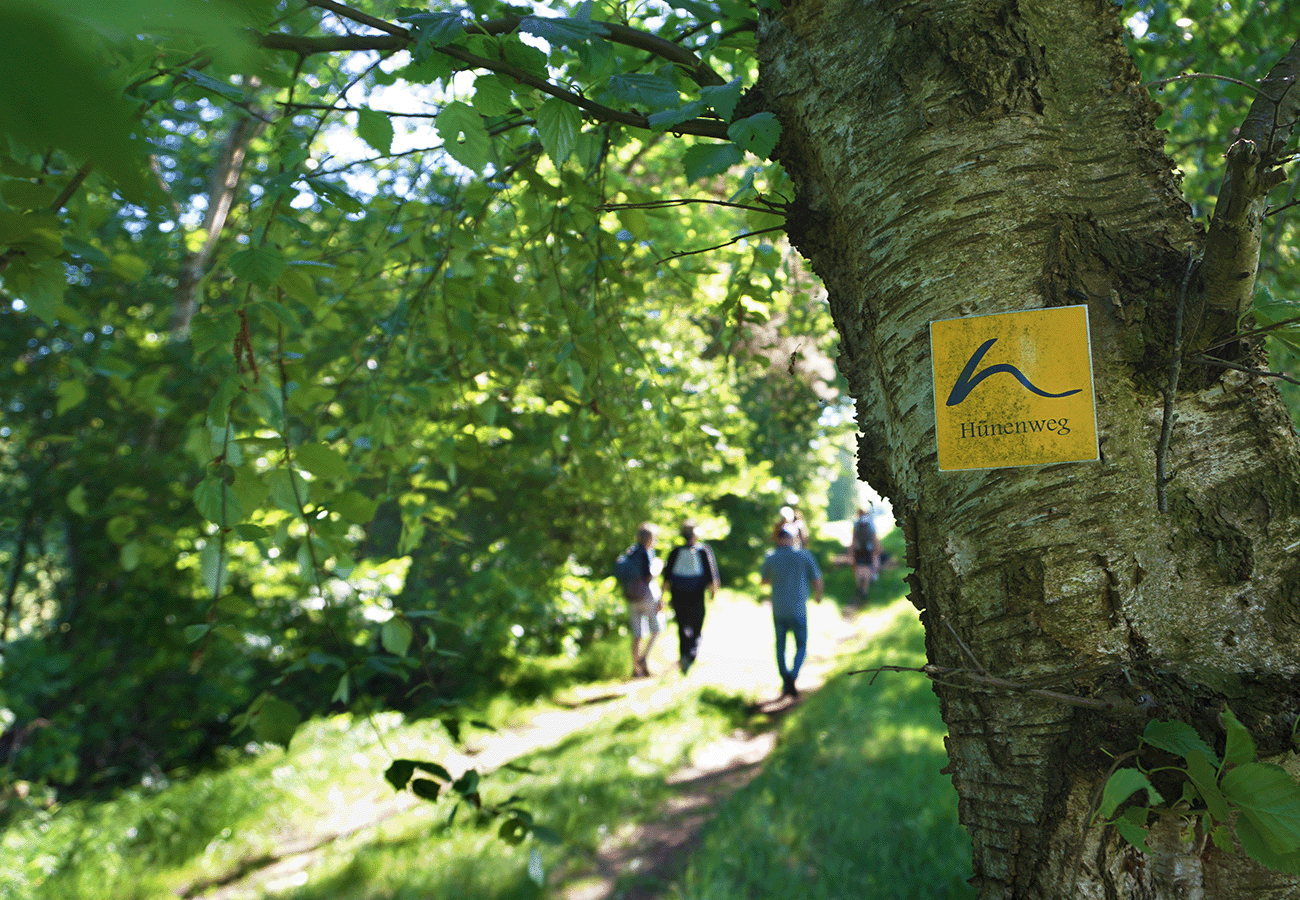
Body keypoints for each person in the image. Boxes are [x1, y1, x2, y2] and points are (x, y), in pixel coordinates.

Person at [760, 525, 823, 698]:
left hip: (779, 609)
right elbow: (817, 579)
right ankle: (793, 675)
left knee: (780, 646)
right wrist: (818, 595)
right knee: (801, 645)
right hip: (798, 609)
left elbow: (764, 580)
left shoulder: (771, 556)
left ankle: (785, 678)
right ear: (792, 538)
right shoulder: (804, 555)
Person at [661, 521, 720, 673]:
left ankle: (684, 655)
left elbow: (666, 577)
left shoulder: (675, 551)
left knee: (682, 625)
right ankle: (691, 654)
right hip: (696, 594)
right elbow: (711, 575)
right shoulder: (703, 551)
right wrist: (713, 592)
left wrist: (662, 597)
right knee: (697, 624)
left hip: (678, 594)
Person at [621, 523, 661, 677]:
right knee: (656, 629)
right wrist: (658, 567)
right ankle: (643, 659)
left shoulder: (631, 551)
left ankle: (635, 668)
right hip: (646, 595)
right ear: (650, 538)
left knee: (637, 634)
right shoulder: (646, 552)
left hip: (632, 596)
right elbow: (648, 576)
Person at [850, 506, 881, 598]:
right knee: (867, 568)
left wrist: (851, 551)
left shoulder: (856, 523)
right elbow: (874, 538)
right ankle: (865, 590)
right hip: (868, 549)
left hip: (858, 549)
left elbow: (853, 538)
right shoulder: (870, 523)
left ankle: (859, 586)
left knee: (858, 568)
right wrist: (877, 548)